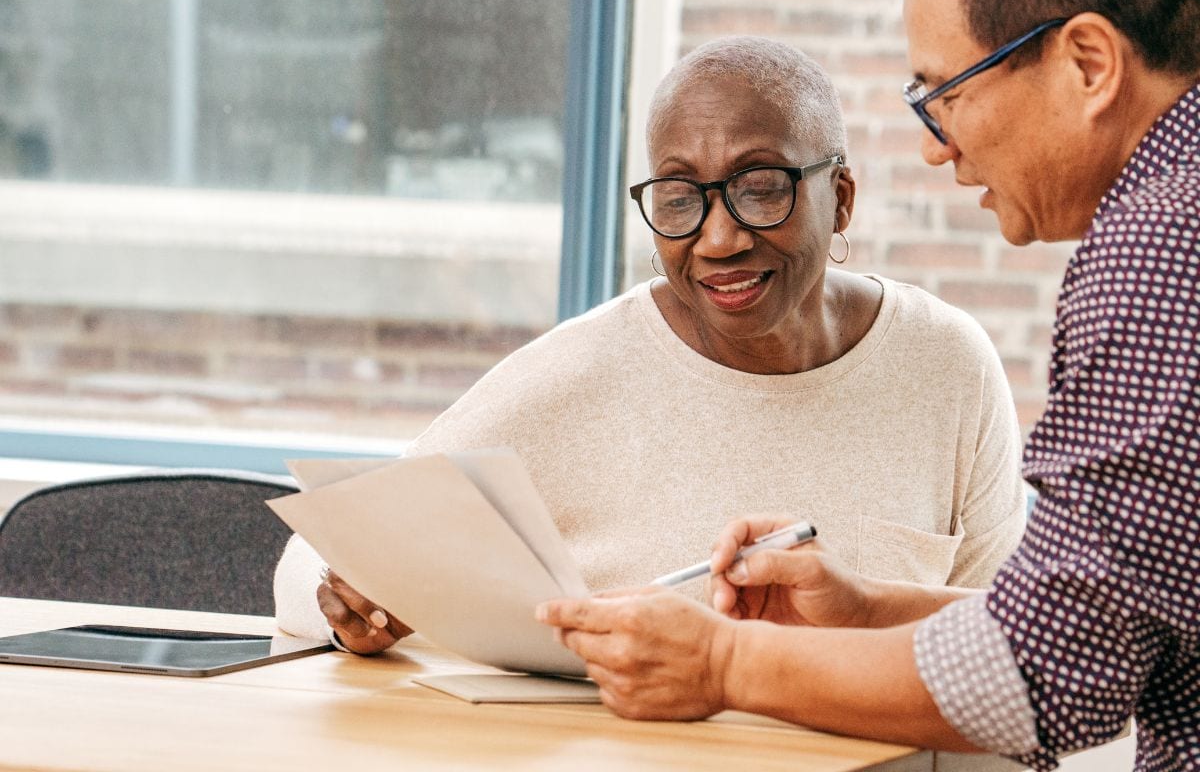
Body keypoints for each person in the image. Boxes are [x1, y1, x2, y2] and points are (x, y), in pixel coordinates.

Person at [537, 0, 1200, 770]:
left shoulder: (1159, 252)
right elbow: (1125, 620)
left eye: (944, 94)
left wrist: (723, 663)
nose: (936, 144)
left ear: (1089, 63)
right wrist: (866, 613)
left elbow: (1048, 670)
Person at [274, 36, 1027, 658]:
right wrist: (355, 604)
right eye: (678, 197)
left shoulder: (947, 367)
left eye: (761, 187)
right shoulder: (575, 375)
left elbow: (1013, 654)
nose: (719, 238)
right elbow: (317, 557)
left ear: (842, 200)